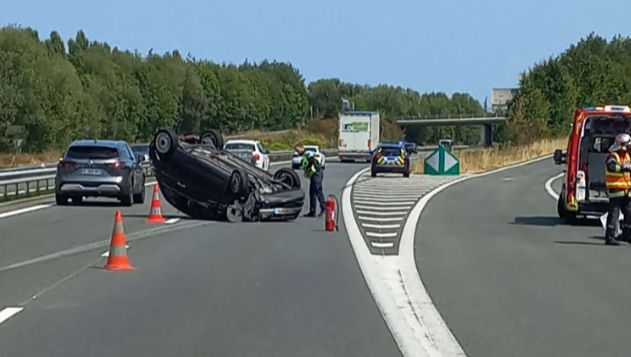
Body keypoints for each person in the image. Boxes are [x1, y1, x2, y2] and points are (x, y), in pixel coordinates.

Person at [604, 133, 631, 245]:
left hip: (627, 191)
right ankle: (610, 238)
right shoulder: (612, 155)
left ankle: (627, 235)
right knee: (613, 214)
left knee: (629, 214)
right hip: (615, 191)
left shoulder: (627, 155)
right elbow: (611, 166)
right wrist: (624, 168)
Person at [295, 144, 326, 217]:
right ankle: (312, 211)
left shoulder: (307, 153)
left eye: (298, 150)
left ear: (301, 148)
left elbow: (312, 160)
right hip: (313, 174)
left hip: (317, 173)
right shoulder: (305, 155)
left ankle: (323, 207)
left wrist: (309, 166)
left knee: (317, 190)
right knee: (312, 192)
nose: (297, 152)